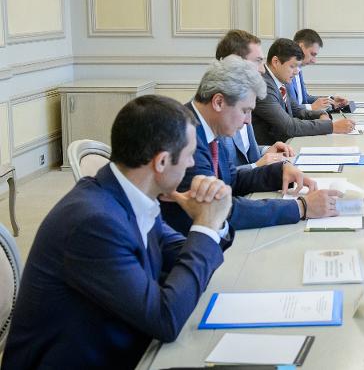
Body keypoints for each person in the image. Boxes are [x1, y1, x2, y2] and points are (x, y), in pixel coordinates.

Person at [2, 95, 233, 368]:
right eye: (189, 154)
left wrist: (213, 223)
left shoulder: (127, 195)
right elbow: (165, 319)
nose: (192, 164)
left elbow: (181, 256)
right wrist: (205, 226)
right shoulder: (94, 223)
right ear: (161, 162)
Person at [160, 57, 342, 234]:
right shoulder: (184, 136)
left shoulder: (207, 125)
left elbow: (231, 179)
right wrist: (300, 207)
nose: (248, 121)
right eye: (245, 111)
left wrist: (279, 172)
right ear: (218, 102)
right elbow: (216, 209)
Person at [215, 29, 294, 169]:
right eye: (258, 61)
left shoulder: (245, 97)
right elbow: (218, 174)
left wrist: (266, 150)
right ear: (234, 62)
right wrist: (255, 166)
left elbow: (244, 149)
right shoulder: (218, 105)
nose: (263, 70)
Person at [252, 38, 355, 145]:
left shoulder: (280, 80)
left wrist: (320, 114)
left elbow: (296, 110)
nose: (296, 72)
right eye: (292, 66)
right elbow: (289, 126)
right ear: (276, 62)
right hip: (271, 149)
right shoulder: (264, 86)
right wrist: (332, 126)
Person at [289, 28, 351, 111]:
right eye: (312, 54)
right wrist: (312, 107)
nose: (314, 61)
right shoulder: (286, 71)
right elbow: (291, 108)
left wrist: (330, 100)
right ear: (301, 47)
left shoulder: (298, 69)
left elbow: (304, 99)